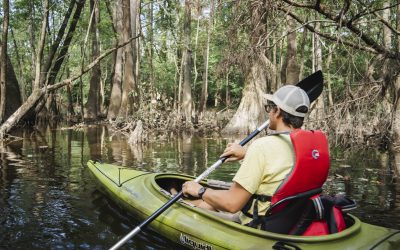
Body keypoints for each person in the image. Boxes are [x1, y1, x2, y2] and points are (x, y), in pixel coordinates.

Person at [181, 85, 310, 225]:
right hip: (289, 220)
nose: (268, 112)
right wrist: (247, 155)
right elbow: (282, 165)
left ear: (277, 111)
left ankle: (184, 196)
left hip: (260, 224)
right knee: (208, 204)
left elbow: (232, 204)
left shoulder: (262, 147)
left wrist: (199, 190)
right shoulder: (308, 147)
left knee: (198, 203)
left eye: (269, 108)